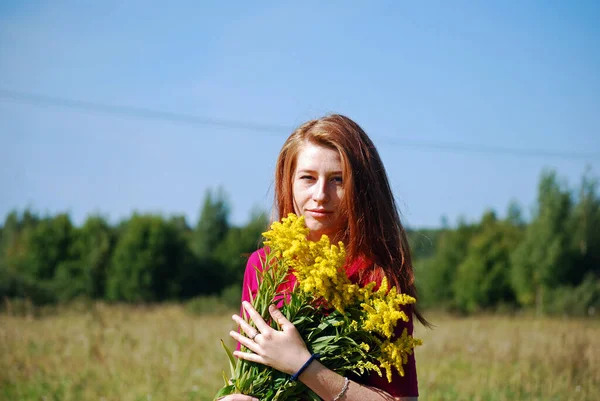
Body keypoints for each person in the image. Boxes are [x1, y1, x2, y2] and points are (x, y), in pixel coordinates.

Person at [218, 114, 428, 401]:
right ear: (287, 181)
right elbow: (250, 369)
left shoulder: (377, 278)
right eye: (308, 178)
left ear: (362, 189)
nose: (320, 195)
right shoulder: (264, 264)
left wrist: (303, 365)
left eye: (338, 180)